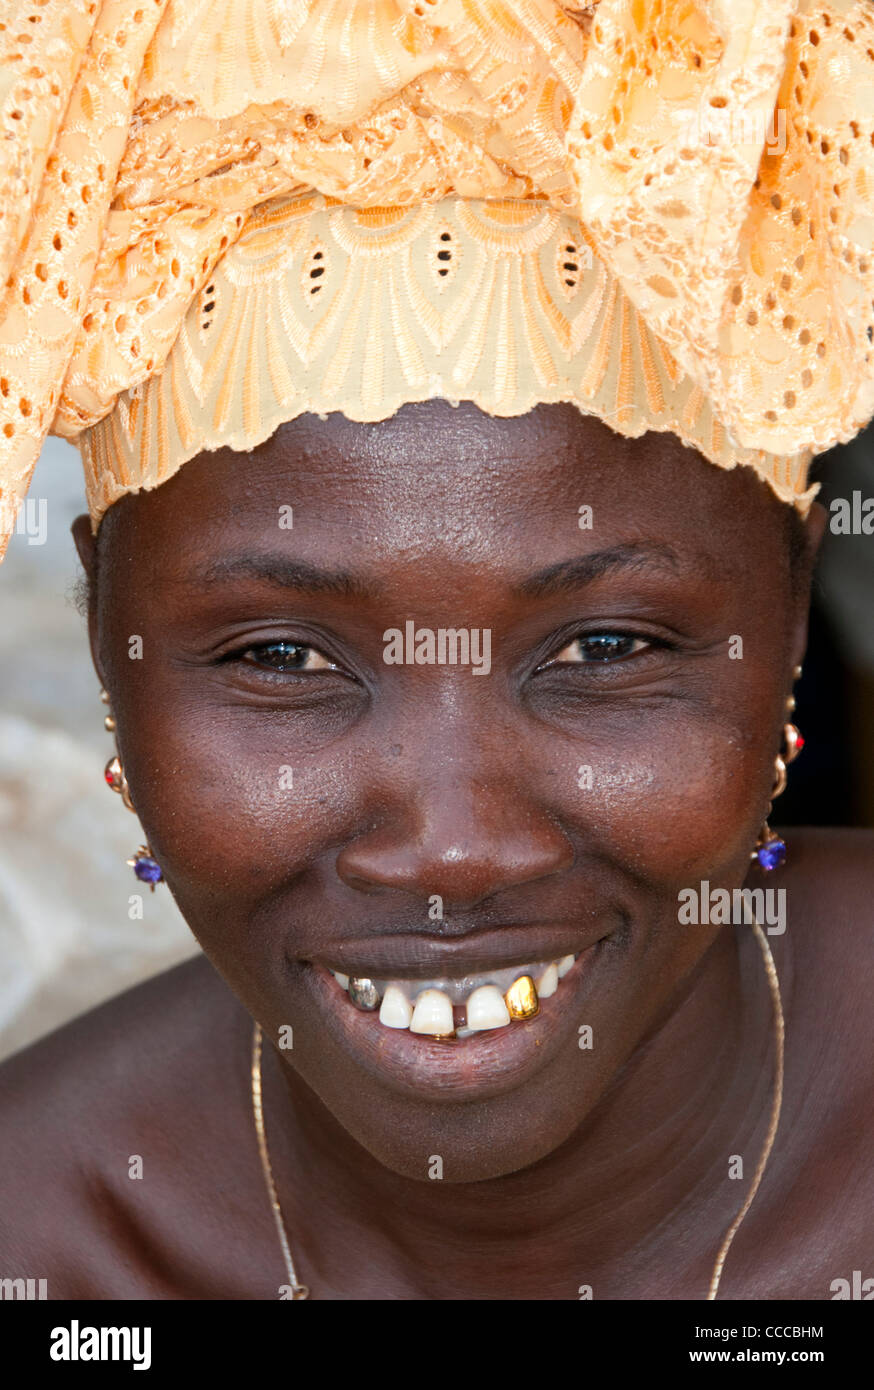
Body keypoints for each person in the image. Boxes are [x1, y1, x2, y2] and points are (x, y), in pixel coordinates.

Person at [0, 0, 872, 1301]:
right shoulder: (46, 1253)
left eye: (605, 643)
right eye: (284, 659)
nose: (453, 849)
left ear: (788, 616)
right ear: (110, 654)